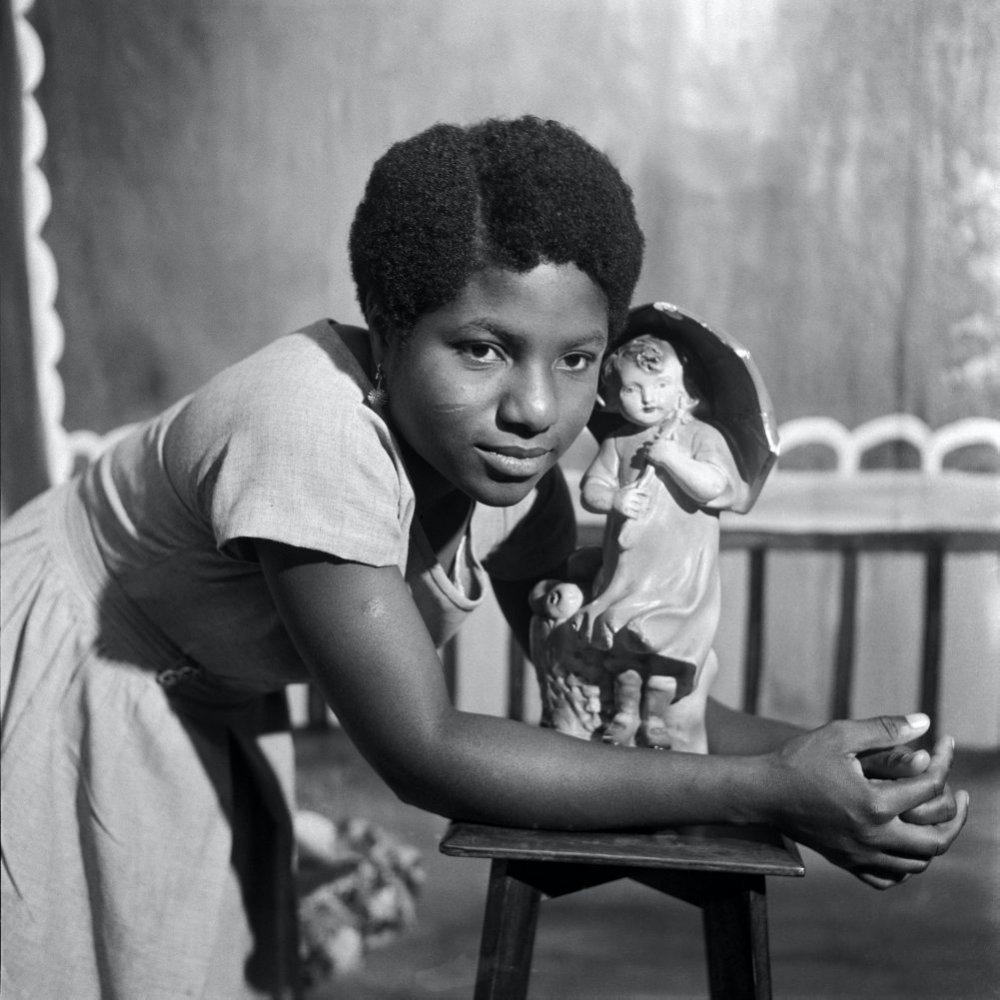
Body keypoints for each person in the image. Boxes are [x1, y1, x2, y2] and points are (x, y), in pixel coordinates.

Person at [0, 116, 968, 999]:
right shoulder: (305, 427)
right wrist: (768, 791)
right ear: (385, 339)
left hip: (194, 698)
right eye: (480, 349)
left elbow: (629, 698)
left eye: (577, 358)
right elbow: (423, 750)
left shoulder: (521, 495)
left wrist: (830, 758)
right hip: (53, 677)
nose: (537, 411)